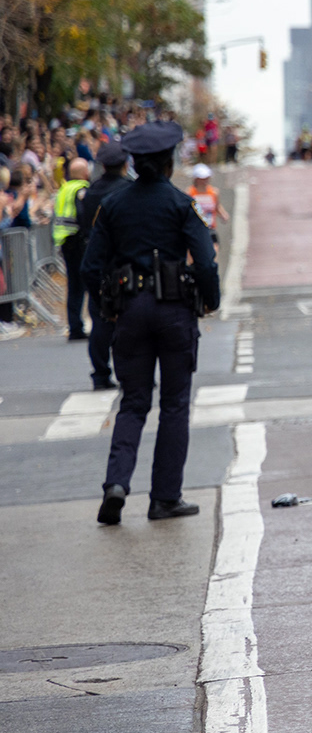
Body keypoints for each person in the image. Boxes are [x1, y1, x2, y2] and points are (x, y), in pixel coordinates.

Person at [80, 121, 220, 525]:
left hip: (129, 312)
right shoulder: (181, 203)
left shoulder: (114, 205)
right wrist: (209, 301)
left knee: (133, 402)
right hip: (175, 311)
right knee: (174, 404)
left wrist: (108, 306)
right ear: (169, 162)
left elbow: (91, 266)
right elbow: (206, 261)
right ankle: (164, 498)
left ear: (135, 163)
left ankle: (116, 484)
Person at [73, 143, 130, 388]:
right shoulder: (128, 191)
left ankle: (100, 373)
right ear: (124, 165)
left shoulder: (91, 191)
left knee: (100, 319)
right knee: (128, 320)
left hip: (96, 259)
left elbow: (82, 221)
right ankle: (130, 372)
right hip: (123, 261)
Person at [53, 157, 90, 341]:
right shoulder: (81, 188)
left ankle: (74, 325)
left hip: (64, 240)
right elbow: (82, 213)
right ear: (85, 173)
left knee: (74, 284)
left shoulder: (64, 189)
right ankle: (80, 326)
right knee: (86, 282)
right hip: (78, 240)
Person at [188, 164, 228, 261]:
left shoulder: (213, 192)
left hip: (210, 229)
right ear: (196, 179)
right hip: (195, 230)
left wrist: (223, 215)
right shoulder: (191, 193)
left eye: (207, 177)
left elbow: (217, 206)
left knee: (214, 254)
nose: (205, 180)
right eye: (202, 178)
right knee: (193, 258)